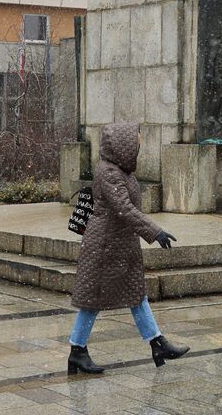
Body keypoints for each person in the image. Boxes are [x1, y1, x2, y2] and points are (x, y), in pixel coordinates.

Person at [67, 121, 189, 374]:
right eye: (137, 138)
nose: (140, 142)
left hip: (120, 245)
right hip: (105, 246)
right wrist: (154, 232)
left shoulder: (121, 170)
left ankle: (157, 343)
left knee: (136, 295)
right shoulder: (110, 173)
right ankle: (77, 351)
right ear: (124, 144)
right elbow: (125, 209)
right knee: (93, 300)